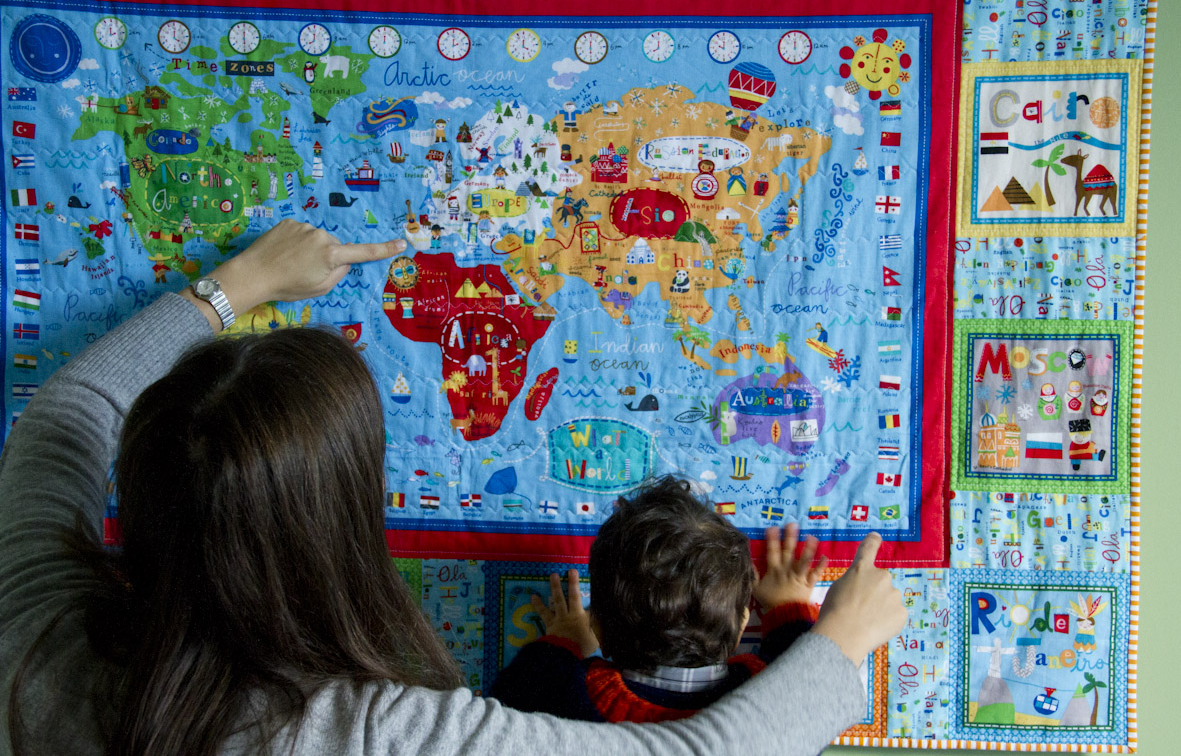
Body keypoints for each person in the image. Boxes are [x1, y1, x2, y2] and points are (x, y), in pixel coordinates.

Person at [1, 220, 907, 756]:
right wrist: (838, 641)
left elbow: (67, 411)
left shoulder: (34, 642)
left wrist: (236, 285)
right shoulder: (375, 732)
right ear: (335, 530)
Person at [488, 477, 831, 722]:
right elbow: (810, 691)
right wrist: (789, 609)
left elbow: (507, 705)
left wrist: (564, 641)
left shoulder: (564, 690)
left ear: (599, 631)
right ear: (742, 623)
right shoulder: (769, 702)